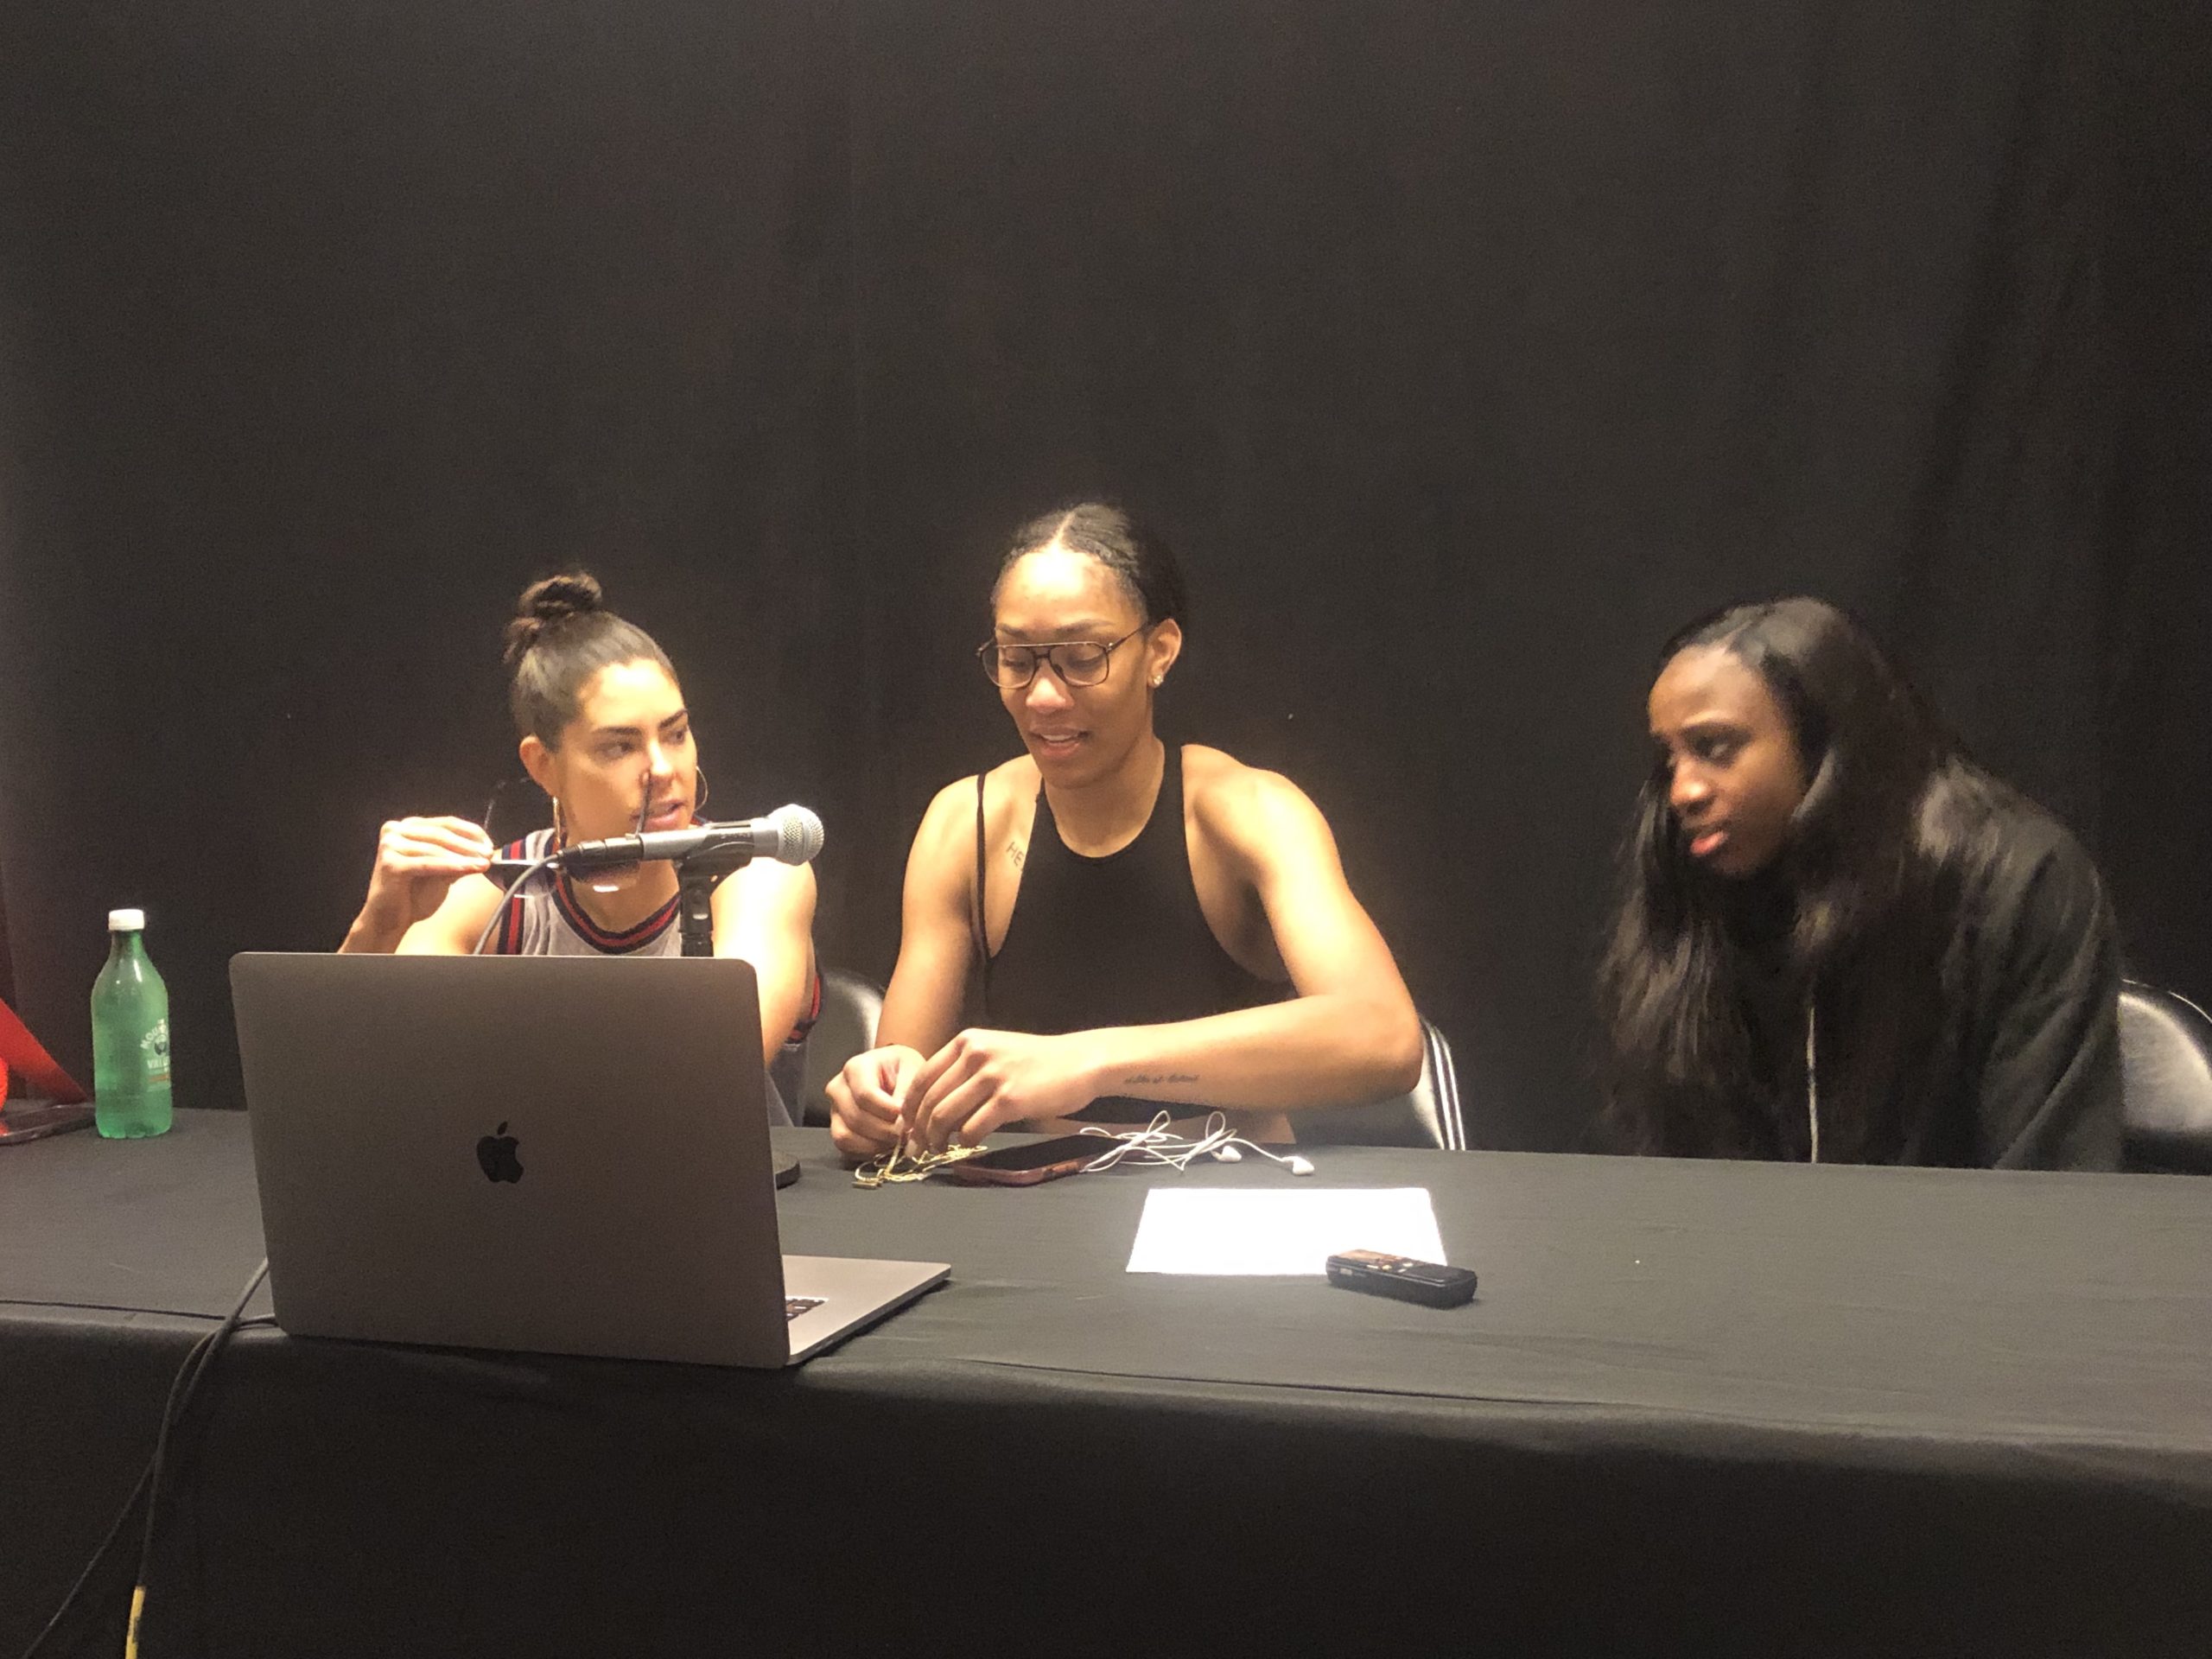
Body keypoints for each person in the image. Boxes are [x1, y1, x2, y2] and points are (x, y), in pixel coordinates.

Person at [828, 503, 1422, 1159]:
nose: (1044, 696)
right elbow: (902, 1084)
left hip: (1231, 1195)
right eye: (1016, 659)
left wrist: (1090, 1062)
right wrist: (877, 1100)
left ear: (1158, 652)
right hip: (1038, 1202)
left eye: (1083, 658)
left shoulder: (1248, 813)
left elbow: (1384, 1038)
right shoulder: (965, 824)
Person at [1599, 596, 2121, 1168]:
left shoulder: (2019, 882)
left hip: (1973, 1253)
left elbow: (2049, 1190)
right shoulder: (1705, 896)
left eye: (1713, 748)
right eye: (1669, 760)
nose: (1684, 792)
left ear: (1822, 742)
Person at [339, 574, 818, 1117]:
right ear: (543, 766)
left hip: (735, 1199)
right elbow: (349, 1084)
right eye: (620, 747)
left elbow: (704, 1074)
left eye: (676, 733)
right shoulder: (499, 894)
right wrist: (376, 928)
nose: (664, 769)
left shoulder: (758, 875)